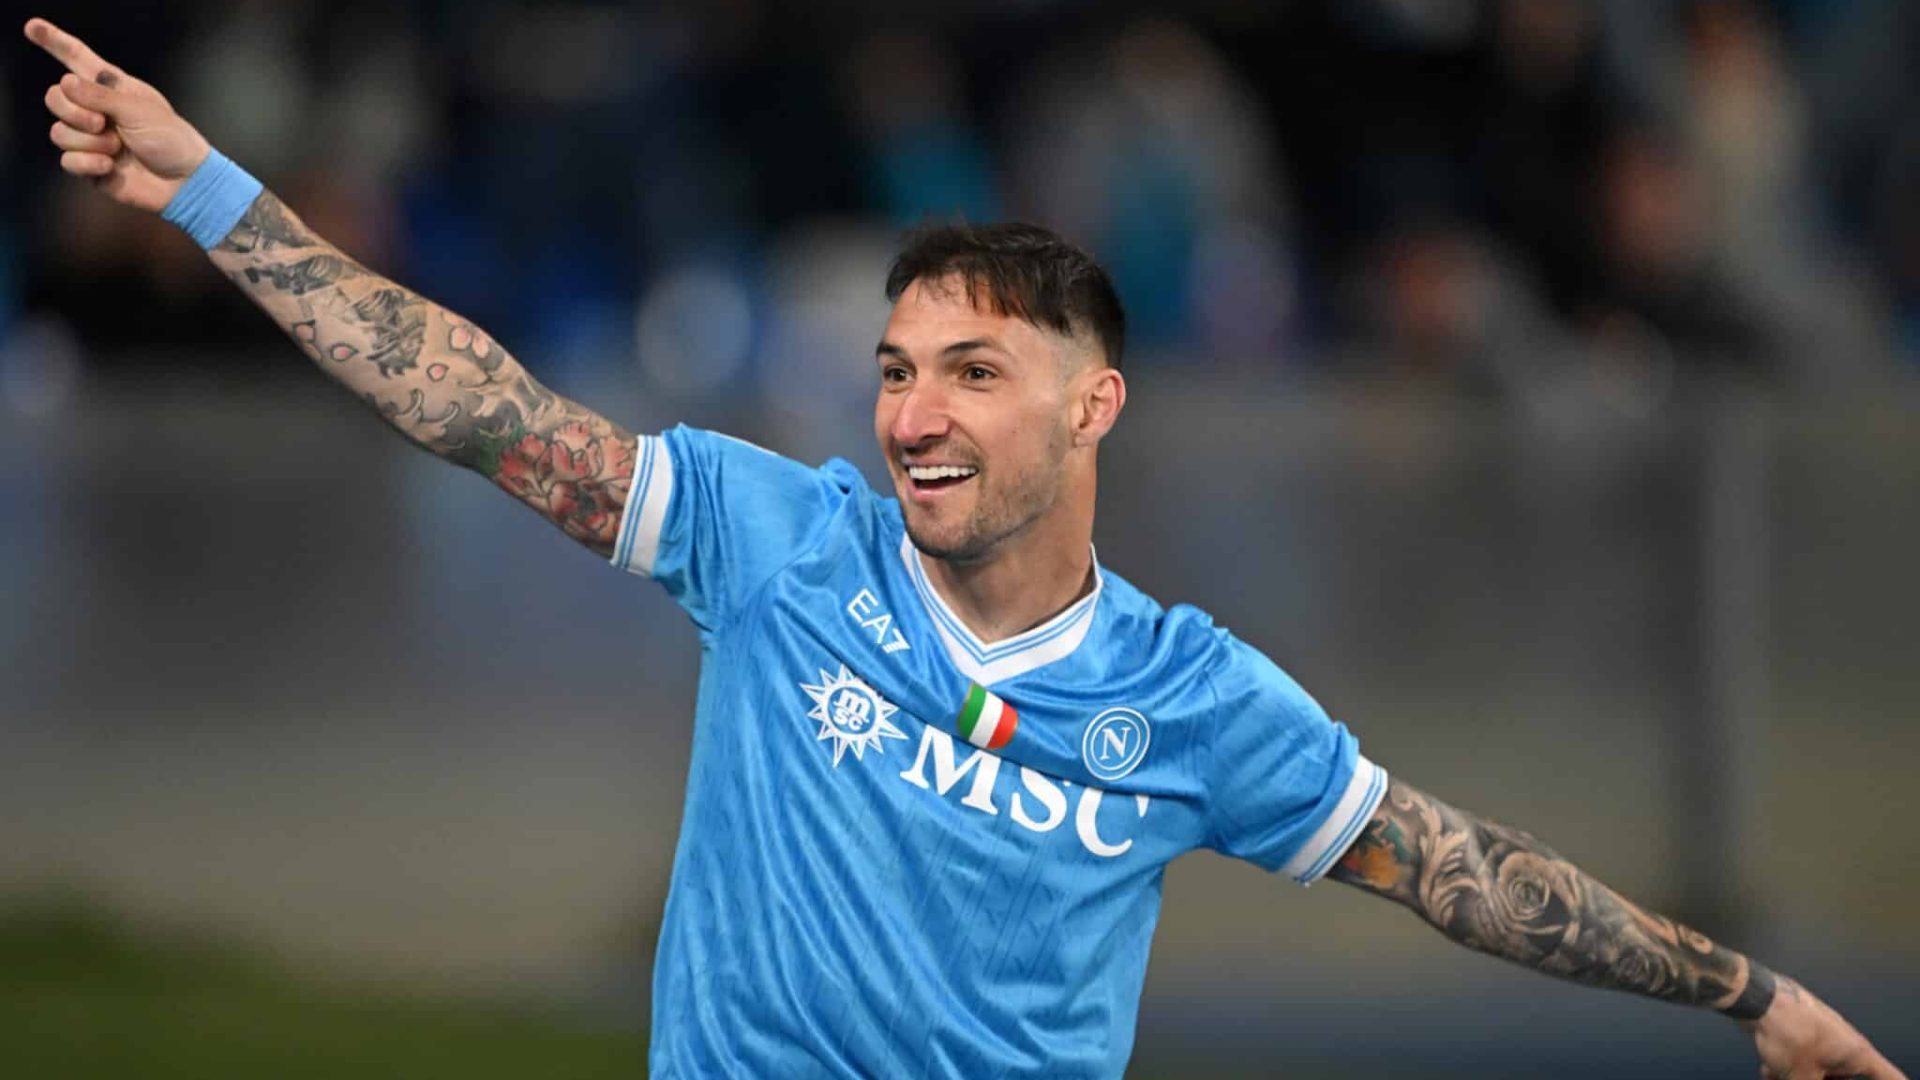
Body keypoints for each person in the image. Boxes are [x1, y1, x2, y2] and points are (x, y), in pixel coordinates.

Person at [23, 17, 1905, 1080]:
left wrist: (1748, 996)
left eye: (972, 372)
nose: (910, 412)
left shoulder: (1194, 697)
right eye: (895, 368)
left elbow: (1468, 874)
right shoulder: (776, 539)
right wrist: (207, 183)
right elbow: (476, 402)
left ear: (1091, 409)